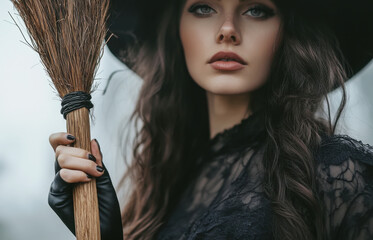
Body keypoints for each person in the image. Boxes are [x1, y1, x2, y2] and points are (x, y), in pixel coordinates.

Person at [48, 0, 373, 239]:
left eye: (256, 9)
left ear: (288, 31)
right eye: (203, 8)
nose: (228, 30)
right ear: (176, 29)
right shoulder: (163, 194)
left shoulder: (337, 176)